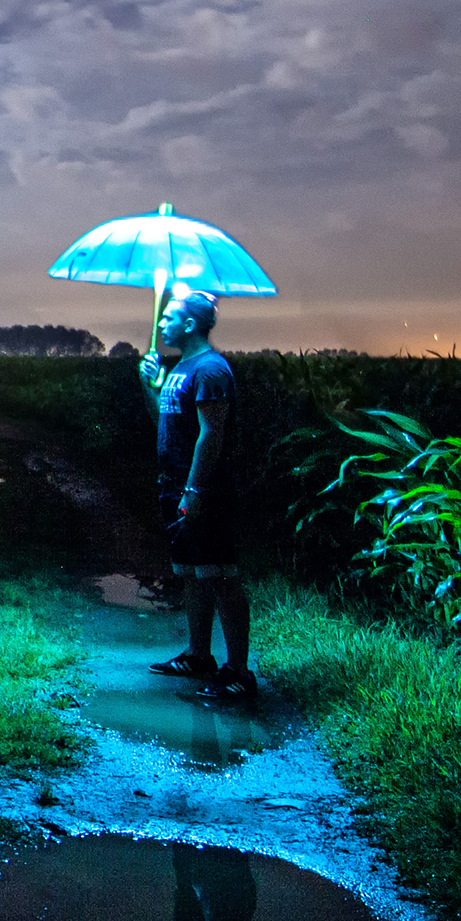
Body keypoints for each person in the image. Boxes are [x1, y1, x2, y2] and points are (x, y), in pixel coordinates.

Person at [140, 285, 256, 699]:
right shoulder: (180, 370)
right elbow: (166, 423)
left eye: (169, 317)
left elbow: (211, 436)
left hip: (204, 491)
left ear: (190, 324)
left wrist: (195, 489)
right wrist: (149, 387)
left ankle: (239, 672)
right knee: (192, 575)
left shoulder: (211, 370)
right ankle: (198, 655)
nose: (161, 323)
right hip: (175, 488)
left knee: (221, 575)